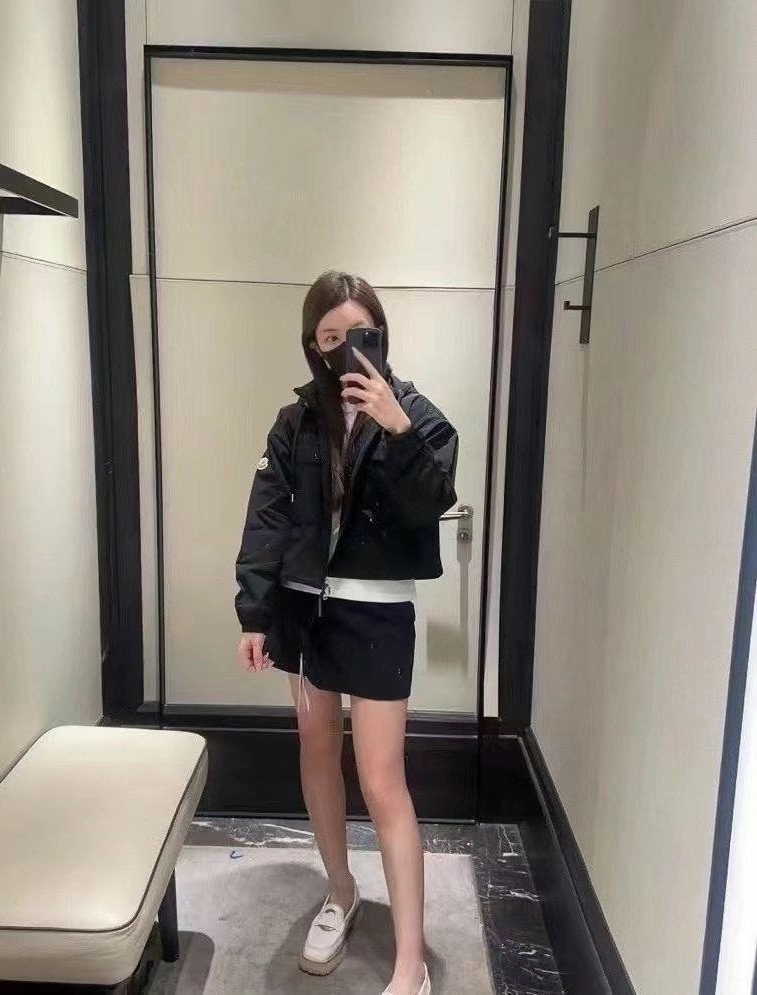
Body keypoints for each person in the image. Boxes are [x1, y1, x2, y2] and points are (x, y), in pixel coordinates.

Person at [235, 270, 458, 995]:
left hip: (379, 614)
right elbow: (268, 517)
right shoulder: (297, 420)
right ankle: (340, 890)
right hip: (306, 611)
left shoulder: (417, 414)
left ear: (380, 335)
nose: (341, 351)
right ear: (312, 345)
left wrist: (397, 426)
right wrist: (255, 612)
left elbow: (433, 500)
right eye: (328, 338)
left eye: (357, 334)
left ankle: (409, 963)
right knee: (316, 753)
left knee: (383, 779)